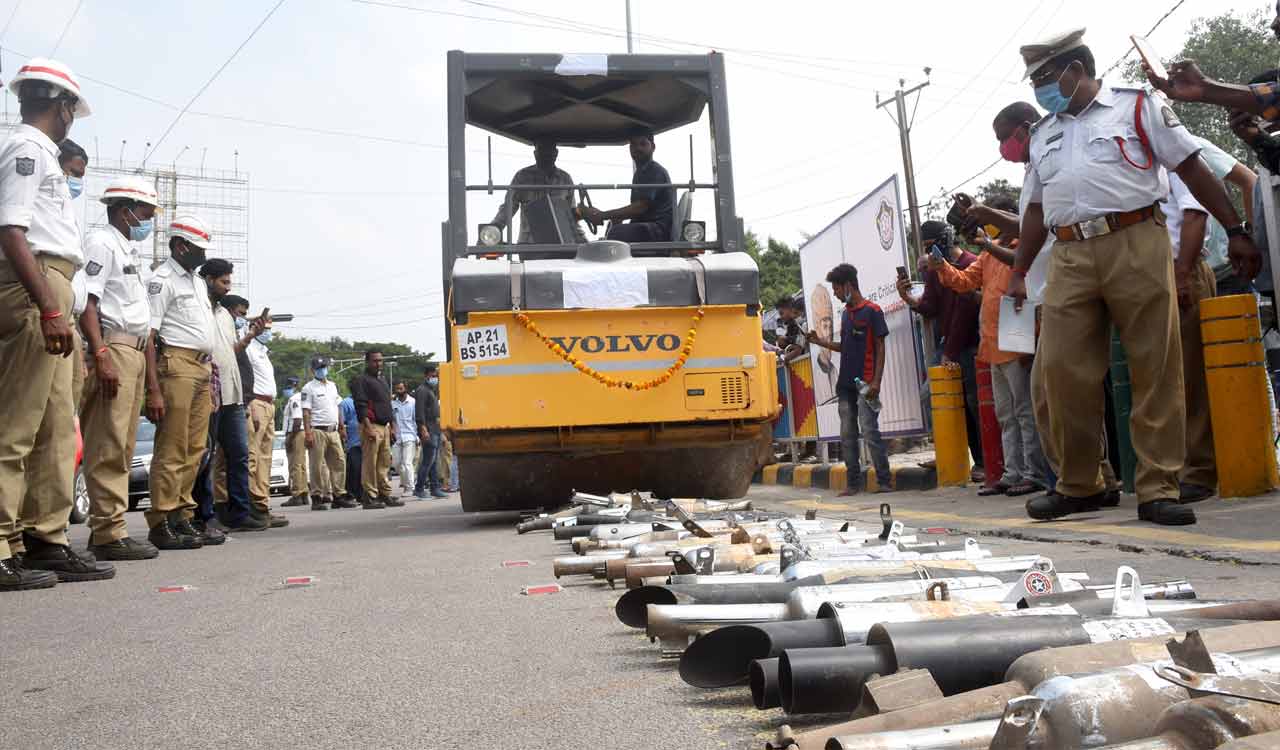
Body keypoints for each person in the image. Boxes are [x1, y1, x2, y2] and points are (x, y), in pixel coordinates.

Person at [1007, 30, 1261, 526]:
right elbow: (1036, 209)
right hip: (1069, 252)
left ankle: (1158, 488)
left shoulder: (1137, 106)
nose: (1040, 88)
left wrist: (1235, 228)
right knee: (1061, 372)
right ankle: (1081, 485)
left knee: (1155, 366)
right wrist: (1019, 270)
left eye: (1044, 77)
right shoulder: (1042, 135)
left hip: (1137, 239)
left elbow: (1191, 165)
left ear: (1075, 70)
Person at [967, 99, 1123, 508]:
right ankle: (1086, 478)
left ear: (1024, 129)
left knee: (1062, 390)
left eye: (1004, 138)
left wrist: (991, 222)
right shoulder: (1035, 170)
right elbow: (1032, 227)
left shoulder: (1057, 159)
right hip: (1045, 297)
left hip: (1067, 285)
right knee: (1051, 393)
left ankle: (1088, 479)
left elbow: (1039, 230)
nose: (1003, 147)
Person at [0, 58, 115, 590]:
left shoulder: (43, 154)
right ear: (61, 105)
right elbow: (12, 231)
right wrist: (47, 306)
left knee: (53, 429)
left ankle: (45, 538)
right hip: (35, 287)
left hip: (54, 286)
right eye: (72, 108)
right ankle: (3, 543)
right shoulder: (27, 150)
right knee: (16, 425)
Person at [930, 212, 1051, 498]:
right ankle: (1013, 473)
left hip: (1016, 328)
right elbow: (964, 281)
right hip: (994, 338)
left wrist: (1027, 342)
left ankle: (1033, 473)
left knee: (1023, 411)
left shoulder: (1022, 246)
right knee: (1007, 414)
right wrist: (942, 266)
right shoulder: (988, 253)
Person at [78, 177, 162, 561]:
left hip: (135, 351)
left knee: (122, 445)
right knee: (108, 443)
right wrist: (100, 353)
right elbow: (89, 304)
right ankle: (108, 531)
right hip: (114, 347)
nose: (147, 221)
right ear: (124, 208)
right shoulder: (102, 242)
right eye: (144, 213)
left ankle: (110, 528)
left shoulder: (128, 250)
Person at [145, 214, 220, 548]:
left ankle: (182, 514)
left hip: (201, 369)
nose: (202, 255)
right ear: (179, 245)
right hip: (175, 365)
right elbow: (150, 335)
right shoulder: (162, 279)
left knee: (195, 448)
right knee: (172, 447)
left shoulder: (196, 281)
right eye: (197, 248)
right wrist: (154, 388)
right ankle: (161, 520)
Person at [897, 220, 985, 481]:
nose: (930, 251)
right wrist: (909, 300)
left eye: (932, 245)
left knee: (974, 404)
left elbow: (965, 313)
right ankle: (960, 455)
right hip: (951, 347)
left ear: (946, 239)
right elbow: (932, 307)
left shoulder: (970, 263)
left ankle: (985, 461)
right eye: (925, 247)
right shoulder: (936, 271)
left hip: (971, 344)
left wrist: (950, 351)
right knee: (940, 399)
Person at [805, 263, 892, 495]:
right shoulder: (846, 315)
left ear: (848, 286)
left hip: (866, 383)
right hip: (845, 385)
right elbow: (845, 347)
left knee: (869, 431)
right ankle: (853, 484)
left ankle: (884, 481)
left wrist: (876, 382)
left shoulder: (873, 311)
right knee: (847, 434)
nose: (834, 293)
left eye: (836, 288)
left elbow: (880, 347)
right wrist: (819, 342)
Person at [1162, 169, 1219, 504]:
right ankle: (1177, 468)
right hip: (1154, 273)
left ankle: (1199, 471)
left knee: (1191, 379)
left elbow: (1195, 213)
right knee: (1168, 380)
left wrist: (1182, 274)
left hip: (1181, 270)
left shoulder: (1179, 163)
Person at [233, 296, 290, 528]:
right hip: (255, 403)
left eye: (270, 329)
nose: (268, 332)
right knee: (254, 457)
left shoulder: (264, 351)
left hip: (268, 404)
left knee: (265, 458)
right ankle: (253, 505)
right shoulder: (248, 347)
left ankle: (263, 503)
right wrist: (251, 404)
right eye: (264, 328)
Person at [581, 134, 675, 243]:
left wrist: (602, 215)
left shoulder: (654, 171)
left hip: (657, 230)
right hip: (647, 226)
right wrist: (614, 217)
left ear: (653, 147)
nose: (638, 148)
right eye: (633, 145)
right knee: (612, 228)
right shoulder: (641, 172)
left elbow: (640, 207)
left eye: (643, 144)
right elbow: (637, 210)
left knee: (617, 233)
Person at [490, 139, 586, 244]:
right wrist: (493, 230)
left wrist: (582, 241)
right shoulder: (522, 177)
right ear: (535, 153)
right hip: (530, 244)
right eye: (542, 151)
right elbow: (508, 208)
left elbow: (570, 215)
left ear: (556, 153)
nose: (546, 155)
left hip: (560, 243)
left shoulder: (565, 179)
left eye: (549, 151)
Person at [60, 139, 89, 412]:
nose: (77, 182)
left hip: (71, 322)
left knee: (66, 415)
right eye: (73, 173)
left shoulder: (70, 215)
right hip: (50, 313)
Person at [350, 350, 399, 508]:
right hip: (371, 426)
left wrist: (392, 426)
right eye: (375, 361)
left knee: (384, 462)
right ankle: (369, 496)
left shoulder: (383, 380)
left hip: (384, 426)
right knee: (370, 463)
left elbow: (388, 406)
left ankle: (384, 494)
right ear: (367, 362)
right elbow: (361, 406)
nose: (378, 364)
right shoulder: (361, 381)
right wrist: (368, 427)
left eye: (380, 361)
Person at [301, 355, 352, 510]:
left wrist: (342, 426)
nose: (322, 370)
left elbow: (338, 407)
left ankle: (338, 495)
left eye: (324, 367)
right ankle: (317, 497)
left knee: (339, 462)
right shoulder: (308, 388)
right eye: (319, 368)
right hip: (317, 430)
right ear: (312, 370)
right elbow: (306, 412)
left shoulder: (332, 386)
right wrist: (308, 432)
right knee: (316, 465)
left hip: (333, 430)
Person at [413, 363, 446, 499]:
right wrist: (423, 428)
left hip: (436, 429)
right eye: (432, 376)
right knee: (428, 461)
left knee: (433, 461)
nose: (435, 378)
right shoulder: (422, 390)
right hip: (428, 430)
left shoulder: (431, 390)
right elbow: (419, 412)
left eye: (436, 376)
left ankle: (435, 488)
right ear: (426, 376)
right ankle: (419, 488)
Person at [280, 375, 308, 507]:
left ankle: (297, 494)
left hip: (295, 433)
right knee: (301, 465)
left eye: (289, 386)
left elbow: (297, 420)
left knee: (295, 465)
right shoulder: (299, 397)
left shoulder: (295, 399)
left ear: (295, 386)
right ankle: (303, 493)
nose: (287, 389)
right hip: (300, 432)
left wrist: (289, 439)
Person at [390, 381, 418, 496]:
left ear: (406, 389)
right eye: (397, 389)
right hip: (398, 437)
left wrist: (417, 437)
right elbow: (391, 419)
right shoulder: (393, 403)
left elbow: (416, 419)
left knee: (407, 463)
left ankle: (410, 488)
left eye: (401, 388)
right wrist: (392, 429)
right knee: (396, 464)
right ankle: (408, 481)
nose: (399, 391)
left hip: (410, 436)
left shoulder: (413, 402)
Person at [340, 392, 363, 502]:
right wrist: (344, 437)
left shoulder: (365, 400)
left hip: (366, 442)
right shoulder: (346, 403)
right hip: (353, 443)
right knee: (354, 469)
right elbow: (341, 422)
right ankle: (351, 494)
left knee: (364, 470)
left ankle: (362, 494)